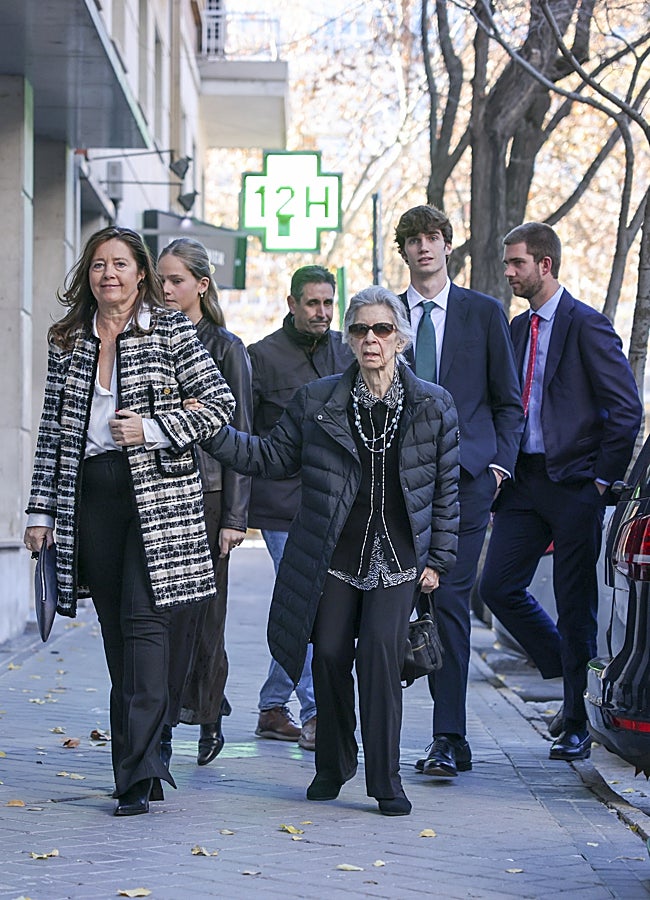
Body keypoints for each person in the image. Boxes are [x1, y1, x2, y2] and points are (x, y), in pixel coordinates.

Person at [200, 286, 460, 815]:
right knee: (332, 656)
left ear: (400, 339)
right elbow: (270, 456)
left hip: (399, 559)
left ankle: (386, 779)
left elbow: (446, 489)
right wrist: (210, 432)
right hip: (334, 555)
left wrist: (438, 561)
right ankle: (334, 766)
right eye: (360, 330)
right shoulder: (318, 401)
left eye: (381, 330)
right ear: (349, 338)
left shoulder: (433, 404)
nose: (371, 340)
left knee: (382, 662)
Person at [23, 226, 235, 817]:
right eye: (97, 265)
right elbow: (51, 433)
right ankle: (144, 753)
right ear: (87, 276)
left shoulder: (170, 330)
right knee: (118, 635)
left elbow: (220, 405)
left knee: (145, 627)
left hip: (158, 499)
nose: (108, 275)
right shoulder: (67, 339)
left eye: (119, 264)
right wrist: (41, 511)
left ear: (141, 272)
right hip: (92, 497)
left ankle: (137, 772)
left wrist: (153, 427)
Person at [479, 221, 642, 761]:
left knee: (577, 607)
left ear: (544, 265)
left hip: (574, 486)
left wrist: (600, 479)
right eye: (507, 264)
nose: (509, 273)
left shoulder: (587, 326)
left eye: (516, 263)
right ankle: (571, 678)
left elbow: (626, 409)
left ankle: (576, 720)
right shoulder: (516, 330)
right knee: (497, 587)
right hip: (522, 483)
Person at [394, 205, 525, 778]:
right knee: (391, 605)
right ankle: (375, 732)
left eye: (433, 238)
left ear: (448, 247)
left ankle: (449, 736)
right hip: (394, 486)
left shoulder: (483, 312)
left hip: (466, 482)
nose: (424, 248)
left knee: (447, 602)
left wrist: (497, 468)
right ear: (403, 251)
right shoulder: (386, 315)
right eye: (413, 240)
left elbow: (508, 402)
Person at [246, 265, 354, 750]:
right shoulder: (260, 357)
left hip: (335, 501)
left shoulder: (346, 352)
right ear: (291, 303)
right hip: (281, 504)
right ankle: (314, 715)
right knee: (309, 599)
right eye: (313, 303)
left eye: (329, 303)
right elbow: (245, 434)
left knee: (305, 604)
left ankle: (273, 706)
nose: (322, 312)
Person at [157, 238, 252, 767]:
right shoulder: (143, 339)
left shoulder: (225, 347)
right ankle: (165, 722)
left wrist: (236, 517)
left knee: (205, 617)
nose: (166, 290)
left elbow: (242, 436)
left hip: (210, 497)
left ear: (201, 284)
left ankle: (208, 712)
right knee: (163, 618)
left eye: (176, 280)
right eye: (161, 281)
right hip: (157, 494)